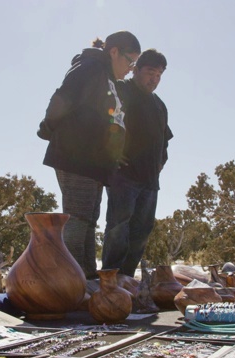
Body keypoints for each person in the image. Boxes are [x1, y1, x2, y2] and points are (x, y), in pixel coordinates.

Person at [37, 31, 141, 280]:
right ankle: (73, 281)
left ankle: (86, 277)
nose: (130, 69)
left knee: (89, 220)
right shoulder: (90, 67)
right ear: (114, 51)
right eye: (130, 61)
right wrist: (47, 128)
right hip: (76, 157)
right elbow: (62, 99)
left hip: (93, 163)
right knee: (78, 219)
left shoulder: (106, 76)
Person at [101, 49, 173, 278]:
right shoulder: (121, 90)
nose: (154, 79)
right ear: (136, 70)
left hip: (150, 181)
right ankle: (110, 283)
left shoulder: (159, 105)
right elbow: (103, 121)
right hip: (123, 176)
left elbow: (164, 140)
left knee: (141, 232)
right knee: (117, 229)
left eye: (159, 75)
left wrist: (160, 161)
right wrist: (111, 152)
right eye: (150, 72)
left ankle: (128, 282)